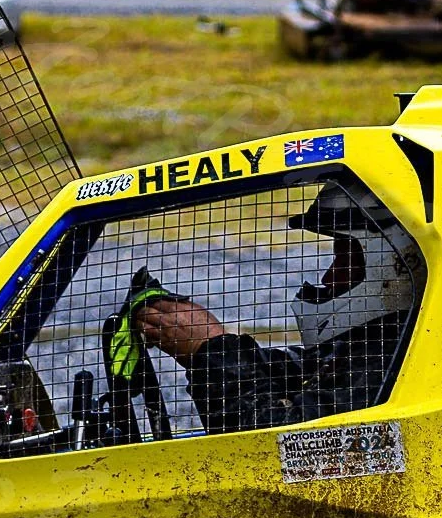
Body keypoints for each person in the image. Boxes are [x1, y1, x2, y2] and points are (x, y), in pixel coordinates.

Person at [125, 181, 422, 435]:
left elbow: (275, 445)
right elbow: (308, 369)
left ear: (395, 262)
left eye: (346, 259)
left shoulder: (399, 360)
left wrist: (213, 351)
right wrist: (205, 349)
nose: (328, 277)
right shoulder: (384, 341)